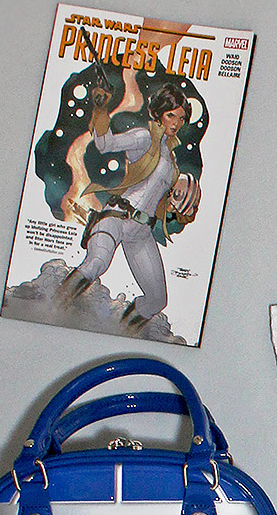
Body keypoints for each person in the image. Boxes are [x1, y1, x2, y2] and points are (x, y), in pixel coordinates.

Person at [63, 79, 200, 330]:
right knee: (97, 262)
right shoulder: (143, 137)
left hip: (141, 232)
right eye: (171, 115)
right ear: (159, 113)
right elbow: (105, 144)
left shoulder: (171, 160)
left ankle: (123, 333)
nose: (176, 123)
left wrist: (183, 211)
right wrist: (100, 109)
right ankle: (53, 307)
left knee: (157, 300)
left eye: (181, 118)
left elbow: (167, 203)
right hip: (117, 217)